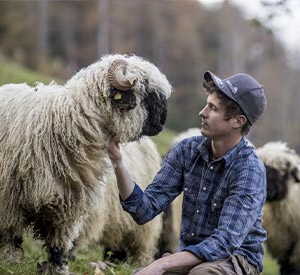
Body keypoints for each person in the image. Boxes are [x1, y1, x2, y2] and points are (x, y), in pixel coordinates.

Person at [108, 70, 267, 275]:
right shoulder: (187, 150)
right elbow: (144, 210)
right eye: (206, 104)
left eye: (213, 108)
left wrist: (162, 263)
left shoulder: (249, 170)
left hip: (236, 261)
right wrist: (118, 163)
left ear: (237, 121)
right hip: (190, 258)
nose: (203, 112)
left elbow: (225, 242)